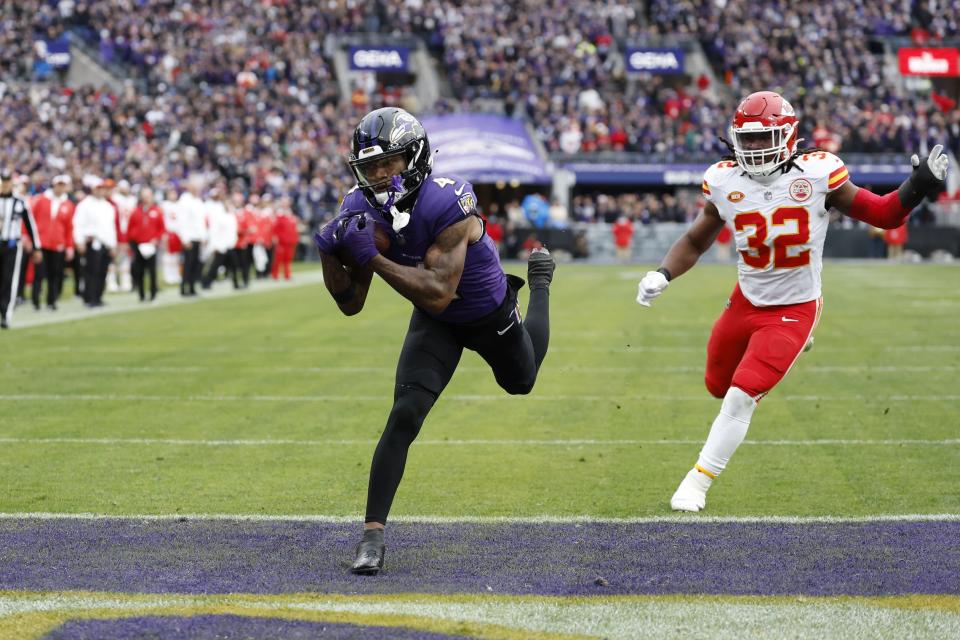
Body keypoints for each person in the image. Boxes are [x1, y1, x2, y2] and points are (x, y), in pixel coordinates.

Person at [636, 91, 949, 512]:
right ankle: (795, 345)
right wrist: (663, 273)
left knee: (740, 396)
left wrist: (917, 187)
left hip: (794, 306)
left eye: (762, 137)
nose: (753, 148)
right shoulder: (724, 181)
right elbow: (696, 238)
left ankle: (697, 483)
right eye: (745, 140)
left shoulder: (818, 174)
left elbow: (883, 214)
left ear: (787, 136)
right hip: (746, 300)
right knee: (716, 385)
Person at [314, 107, 556, 575]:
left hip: (485, 311)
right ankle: (371, 538)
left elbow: (442, 290)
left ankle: (540, 282)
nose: (380, 176)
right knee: (404, 413)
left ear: (416, 157)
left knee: (521, 381)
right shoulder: (358, 208)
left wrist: (376, 260)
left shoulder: (447, 200)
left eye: (390, 163)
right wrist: (329, 252)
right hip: (434, 320)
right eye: (371, 167)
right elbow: (351, 302)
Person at [0, 170, 42, 329]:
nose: (5, 184)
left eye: (7, 181)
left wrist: (37, 247)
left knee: (9, 279)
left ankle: (6, 314)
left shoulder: (20, 201)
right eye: (3, 181)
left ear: (12, 182)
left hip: (12, 245)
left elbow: (31, 225)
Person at [30, 174, 75, 310]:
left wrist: (69, 246)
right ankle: (36, 301)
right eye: (59, 184)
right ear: (54, 185)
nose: (60, 188)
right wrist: (28, 238)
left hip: (58, 244)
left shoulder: (68, 204)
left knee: (54, 274)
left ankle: (52, 300)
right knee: (39, 273)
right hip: (41, 243)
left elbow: (69, 228)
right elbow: (30, 220)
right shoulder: (41, 200)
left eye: (63, 185)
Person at [72, 178, 118, 307]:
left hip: (106, 243)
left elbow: (111, 227)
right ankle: (89, 298)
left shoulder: (108, 206)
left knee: (102, 271)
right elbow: (78, 224)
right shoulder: (85, 205)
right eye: (98, 188)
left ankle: (98, 296)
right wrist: (79, 241)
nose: (100, 191)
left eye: (102, 188)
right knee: (91, 271)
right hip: (92, 241)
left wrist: (113, 245)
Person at [127, 186, 165, 301]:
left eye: (148, 196)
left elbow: (161, 229)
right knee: (139, 271)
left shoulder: (157, 211)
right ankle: (141, 294)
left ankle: (153, 293)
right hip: (138, 245)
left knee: (152, 271)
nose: (146, 199)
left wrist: (156, 239)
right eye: (144, 196)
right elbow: (130, 228)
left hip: (151, 246)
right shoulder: (136, 211)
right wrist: (132, 242)